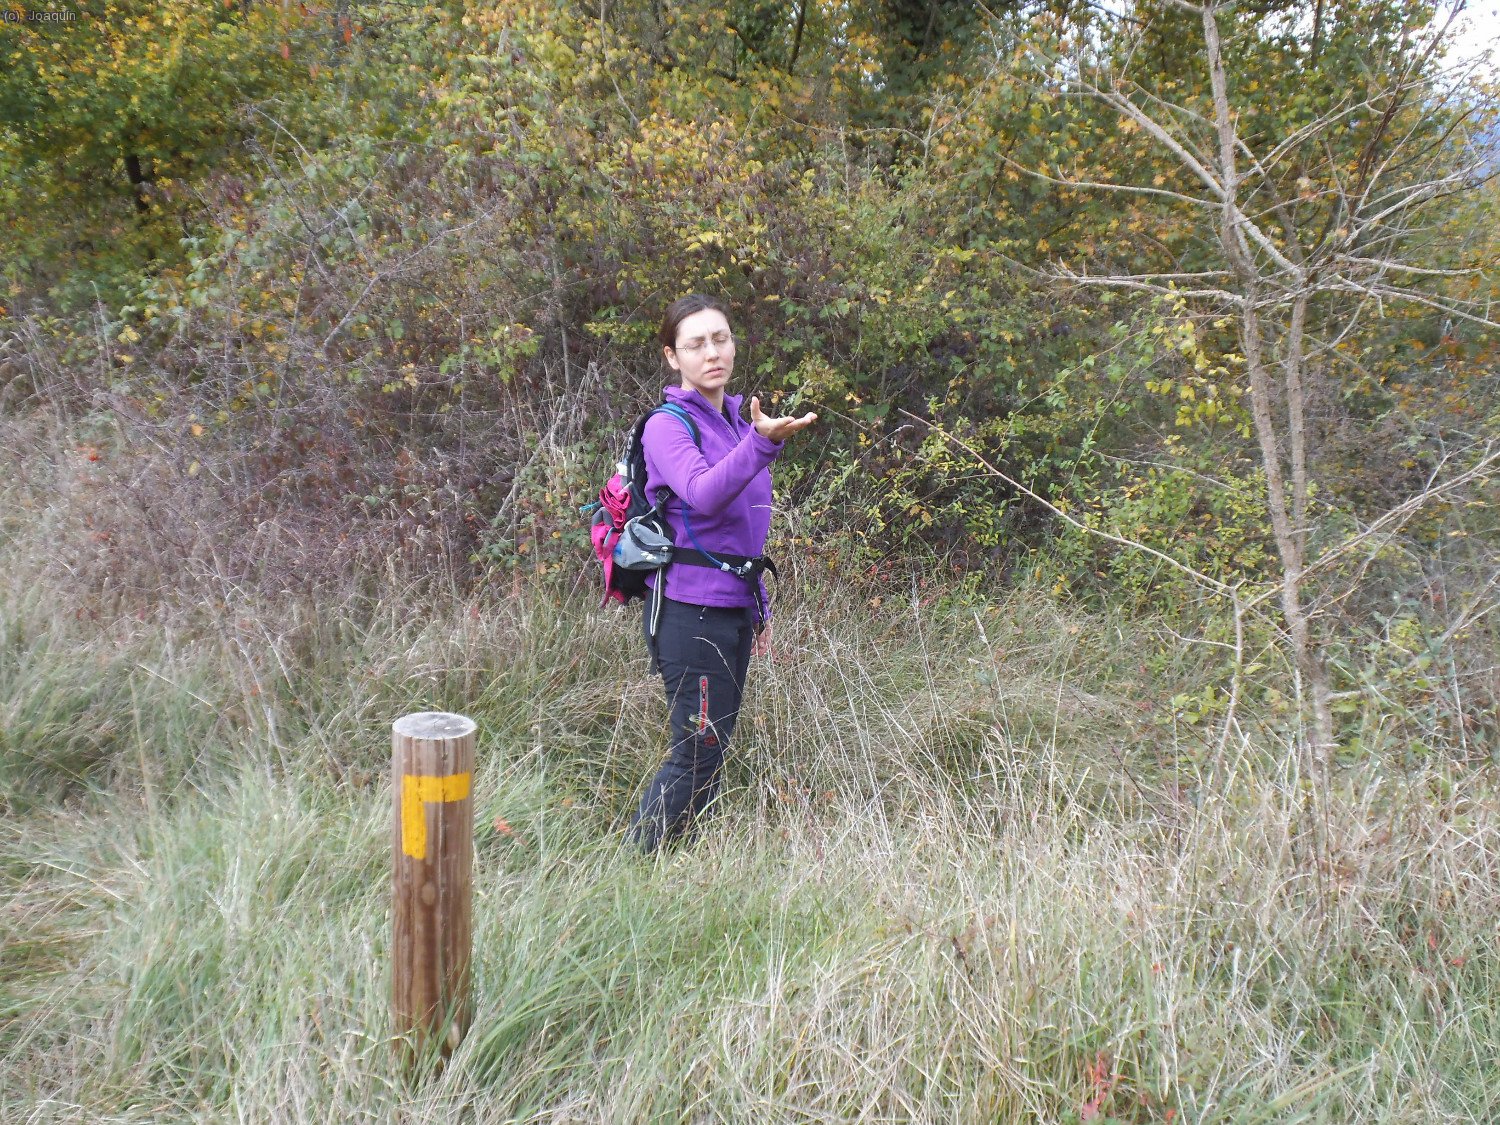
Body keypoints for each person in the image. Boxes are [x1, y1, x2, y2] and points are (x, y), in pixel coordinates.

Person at [628, 294, 817, 852]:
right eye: (695, 344)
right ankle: (637, 864)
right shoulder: (666, 426)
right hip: (689, 612)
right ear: (672, 356)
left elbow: (742, 531)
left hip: (730, 609)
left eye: (721, 338)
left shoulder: (740, 421)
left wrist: (758, 611)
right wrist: (763, 443)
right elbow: (705, 496)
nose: (712, 352)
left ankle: (673, 863)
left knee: (712, 746)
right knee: (698, 748)